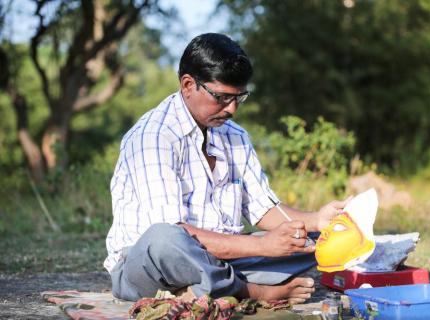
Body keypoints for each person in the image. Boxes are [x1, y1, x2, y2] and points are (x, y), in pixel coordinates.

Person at [104, 33, 350, 304]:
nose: (231, 109)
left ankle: (204, 289)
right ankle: (254, 292)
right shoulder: (152, 137)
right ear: (188, 85)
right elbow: (173, 233)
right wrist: (262, 246)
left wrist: (316, 220)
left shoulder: (235, 136)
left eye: (239, 98)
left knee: (313, 239)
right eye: (221, 97)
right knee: (165, 239)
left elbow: (264, 209)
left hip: (222, 258)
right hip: (151, 267)